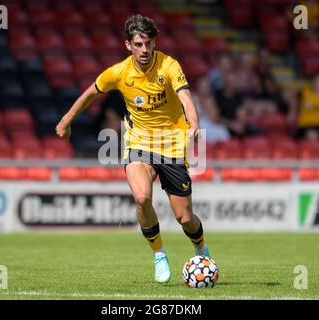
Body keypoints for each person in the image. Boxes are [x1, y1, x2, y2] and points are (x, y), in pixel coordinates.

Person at [56, 15, 211, 284]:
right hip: (139, 143)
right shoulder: (119, 73)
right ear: (128, 45)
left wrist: (194, 122)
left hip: (173, 146)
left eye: (148, 44)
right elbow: (91, 93)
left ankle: (200, 248)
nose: (144, 50)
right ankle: (159, 254)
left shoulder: (168, 65)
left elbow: (185, 96)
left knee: (185, 218)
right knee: (141, 198)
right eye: (138, 44)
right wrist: (67, 120)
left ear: (154, 43)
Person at [296, 73, 319, 140]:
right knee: (313, 136)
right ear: (313, 81)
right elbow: (291, 96)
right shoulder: (304, 92)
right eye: (317, 81)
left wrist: (311, 105)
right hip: (306, 124)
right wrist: (293, 111)